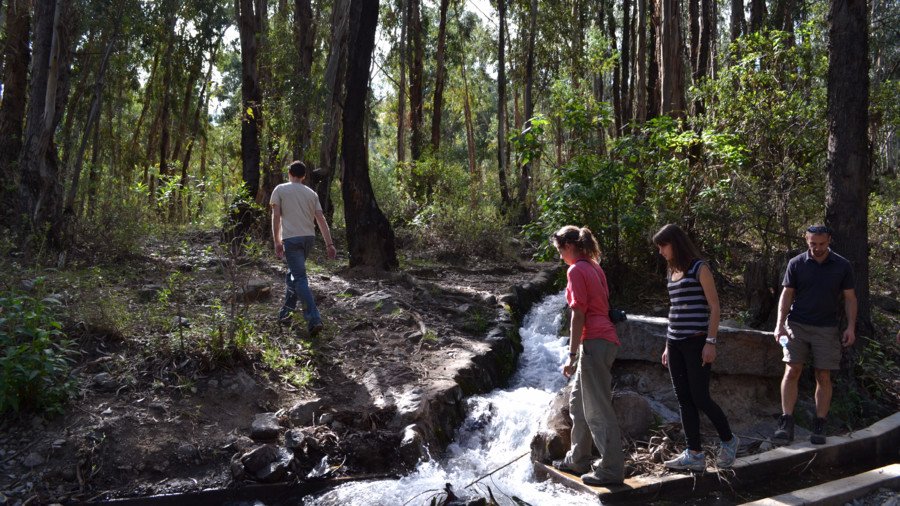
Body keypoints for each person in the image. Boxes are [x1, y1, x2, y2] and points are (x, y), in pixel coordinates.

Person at [652, 224, 739, 472]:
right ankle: (694, 454)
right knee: (683, 399)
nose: (660, 251)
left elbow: (714, 307)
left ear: (675, 243)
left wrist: (710, 342)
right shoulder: (671, 271)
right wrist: (668, 344)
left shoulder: (699, 268)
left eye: (663, 245)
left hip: (698, 341)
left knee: (700, 397)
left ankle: (729, 441)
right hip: (675, 343)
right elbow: (675, 309)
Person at [550, 226, 625, 487]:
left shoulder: (577, 269)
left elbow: (578, 315)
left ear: (570, 246)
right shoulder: (594, 266)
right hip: (602, 341)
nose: (561, 257)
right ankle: (578, 458)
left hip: (594, 341)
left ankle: (612, 469)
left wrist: (571, 355)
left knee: (597, 409)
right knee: (578, 403)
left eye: (560, 250)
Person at [773, 225, 856, 445]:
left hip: (827, 328)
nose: (817, 248)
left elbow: (850, 298)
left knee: (823, 375)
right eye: (813, 244)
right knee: (792, 369)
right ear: (806, 240)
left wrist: (851, 327)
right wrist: (780, 324)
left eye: (822, 244)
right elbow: (787, 294)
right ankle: (786, 421)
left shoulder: (842, 265)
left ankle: (820, 423)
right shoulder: (796, 263)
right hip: (797, 325)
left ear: (829, 239)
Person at [270, 161, 337, 334]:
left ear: (289, 173)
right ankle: (286, 314)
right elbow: (321, 220)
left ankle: (314, 319)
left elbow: (276, 216)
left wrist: (277, 241)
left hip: (291, 240)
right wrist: (329, 244)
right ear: (304, 176)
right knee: (292, 275)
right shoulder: (311, 193)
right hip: (309, 238)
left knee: (299, 278)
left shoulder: (280, 189)